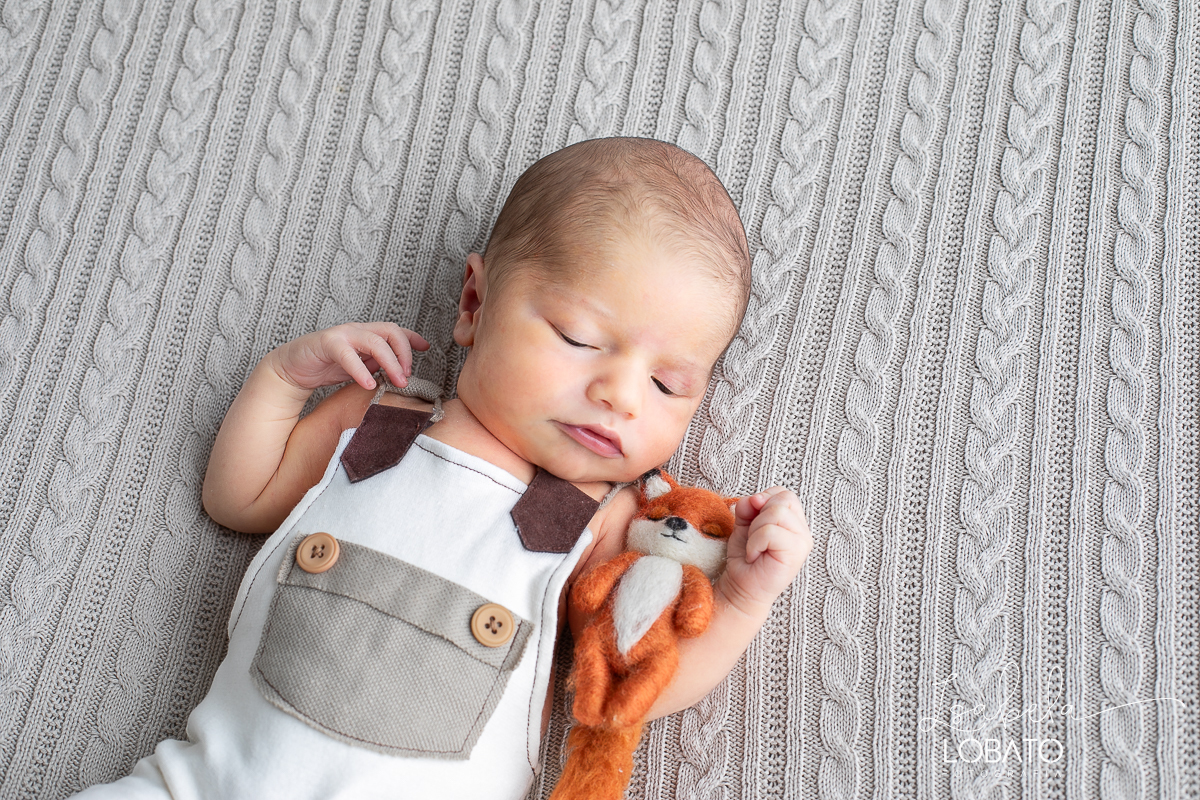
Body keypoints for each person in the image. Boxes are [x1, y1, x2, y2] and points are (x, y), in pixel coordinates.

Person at [74, 137, 812, 799]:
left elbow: (639, 682)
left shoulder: (601, 526)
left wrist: (743, 598)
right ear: (474, 302)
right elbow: (239, 498)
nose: (620, 394)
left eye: (666, 384)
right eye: (578, 337)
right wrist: (283, 380)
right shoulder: (377, 420)